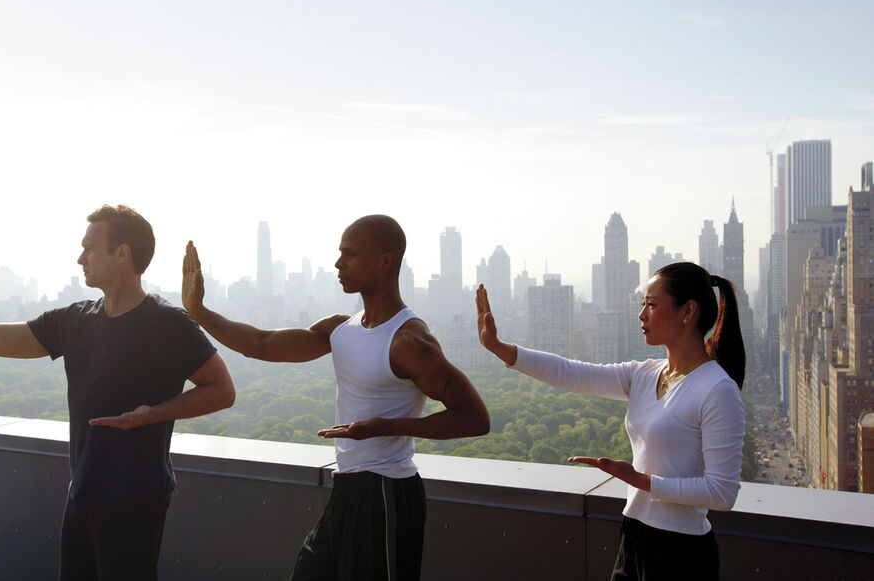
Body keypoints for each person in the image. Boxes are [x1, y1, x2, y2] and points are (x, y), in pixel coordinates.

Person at [0, 207, 236, 581]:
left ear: (122, 253)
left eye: (89, 248)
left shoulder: (169, 324)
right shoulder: (74, 320)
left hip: (136, 500)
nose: (79, 258)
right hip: (81, 492)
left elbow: (222, 390)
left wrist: (152, 414)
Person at [182, 214, 490, 581]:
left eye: (350, 254)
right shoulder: (340, 330)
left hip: (386, 492)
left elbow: (474, 418)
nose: (338, 264)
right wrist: (199, 312)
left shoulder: (409, 342)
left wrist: (384, 427)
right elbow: (260, 344)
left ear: (386, 261)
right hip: (347, 489)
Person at [476, 262, 745, 581]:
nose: (642, 315)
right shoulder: (645, 374)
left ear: (688, 311)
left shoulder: (717, 389)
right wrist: (498, 348)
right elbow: (570, 372)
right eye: (642, 304)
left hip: (681, 553)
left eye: (652, 305)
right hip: (633, 536)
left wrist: (642, 481)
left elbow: (722, 493)